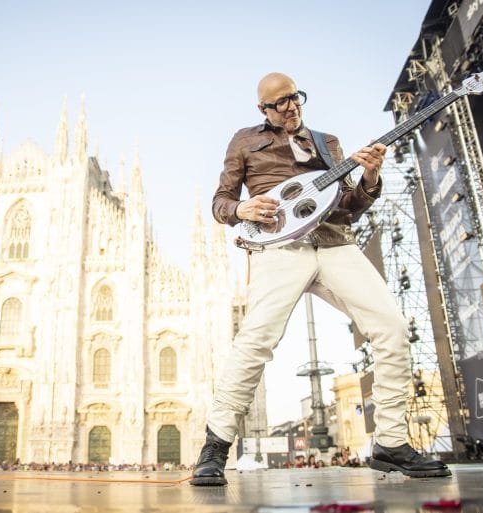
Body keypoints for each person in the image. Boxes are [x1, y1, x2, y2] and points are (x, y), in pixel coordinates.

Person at [190, 72, 450, 486]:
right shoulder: (244, 140)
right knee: (255, 341)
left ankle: (390, 442)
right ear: (263, 109)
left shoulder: (328, 143)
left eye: (295, 98)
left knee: (393, 328)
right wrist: (240, 209)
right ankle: (215, 446)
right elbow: (221, 202)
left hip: (333, 242)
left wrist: (369, 179)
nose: (290, 107)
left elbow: (348, 207)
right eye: (280, 103)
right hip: (278, 248)